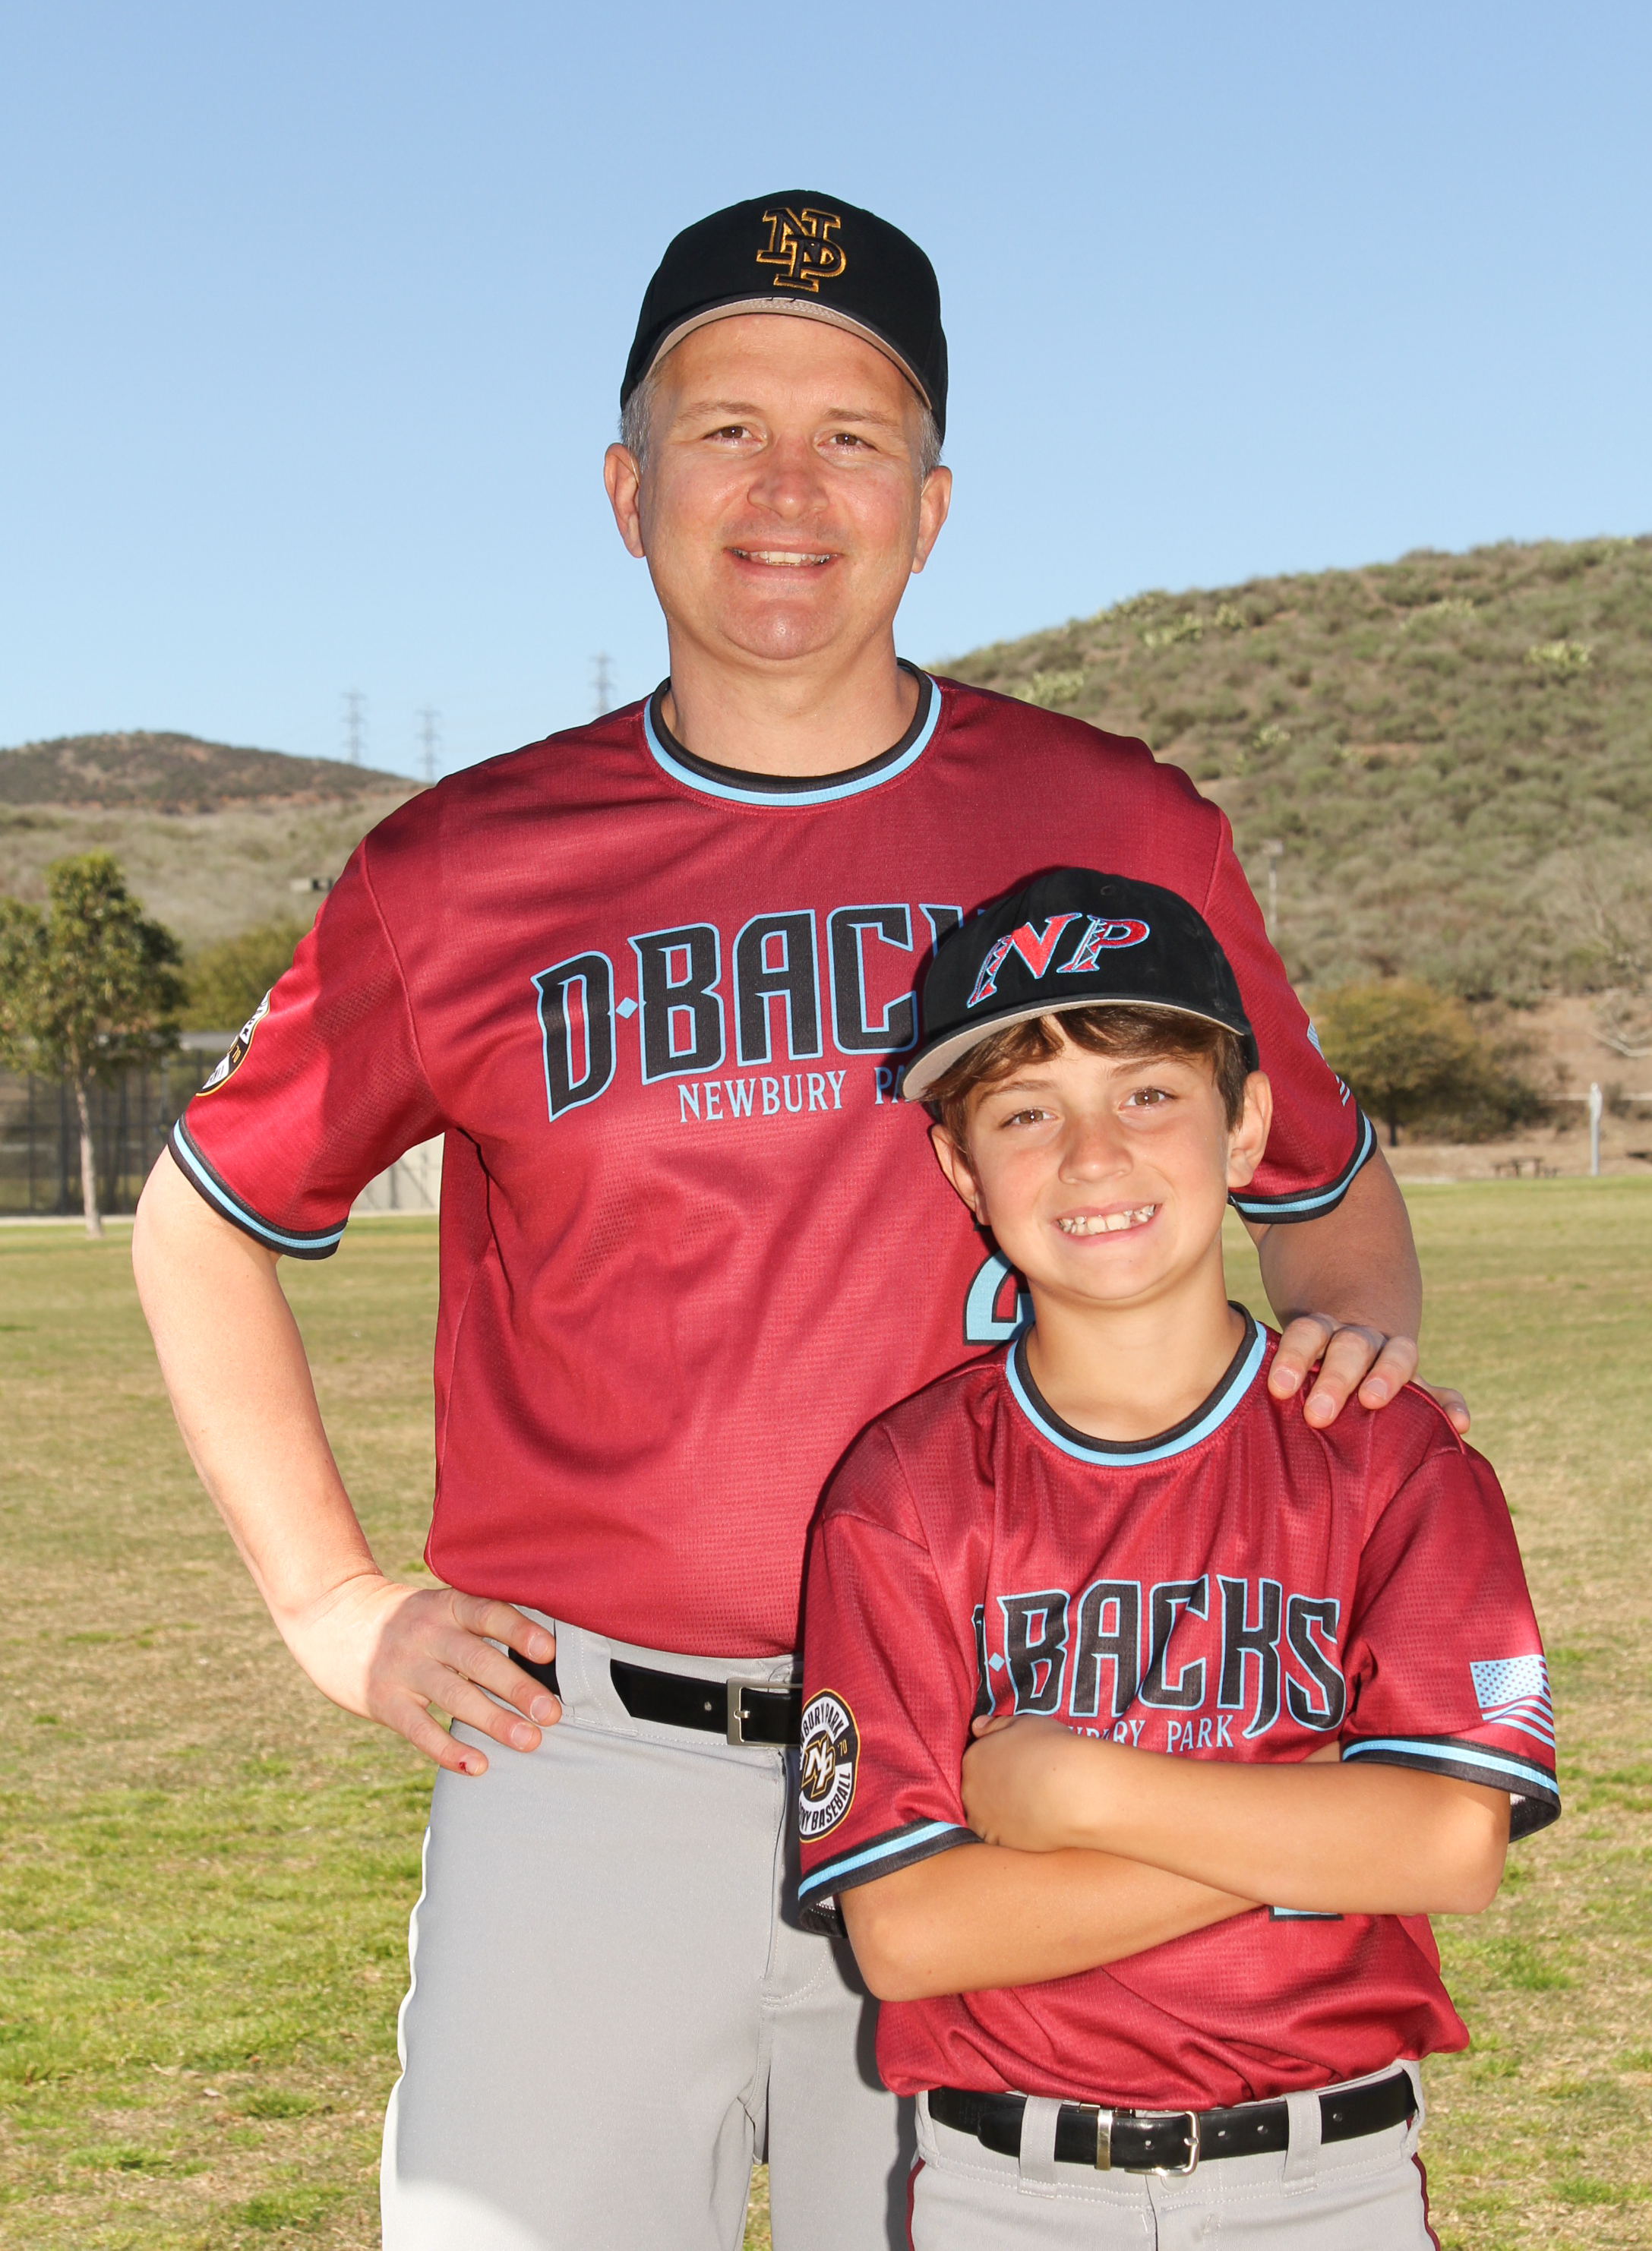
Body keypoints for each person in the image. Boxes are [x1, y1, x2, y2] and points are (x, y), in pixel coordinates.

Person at [132, 192, 1461, 2251]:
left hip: (998, 1746)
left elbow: (1319, 1183)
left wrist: (1334, 1400)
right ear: (626, 491)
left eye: (851, 436)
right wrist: (328, 1598)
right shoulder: (458, 866)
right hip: (582, 1752)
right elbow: (204, 1217)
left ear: (928, 508)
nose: (785, 488)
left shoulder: (1115, 822)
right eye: (724, 428)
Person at [797, 868, 1559, 2249]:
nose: (1095, 1157)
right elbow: (910, 1934)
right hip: (1009, 2185)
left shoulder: (1388, 1454)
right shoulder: (903, 1489)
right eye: (1026, 1113)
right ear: (962, 1170)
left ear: (1247, 1122)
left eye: (1148, 1092)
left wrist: (1083, 1789)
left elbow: (1455, 1844)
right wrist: (1328, 1818)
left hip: (1329, 2178)